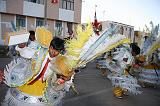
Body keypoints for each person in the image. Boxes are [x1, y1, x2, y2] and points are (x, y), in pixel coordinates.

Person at [0, 37, 71, 106]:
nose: (54, 52)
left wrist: (66, 78)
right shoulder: (39, 51)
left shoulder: (60, 61)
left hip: (44, 85)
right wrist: (22, 47)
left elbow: (65, 73)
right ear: (50, 46)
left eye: (57, 51)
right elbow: (27, 52)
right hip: (29, 79)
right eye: (52, 48)